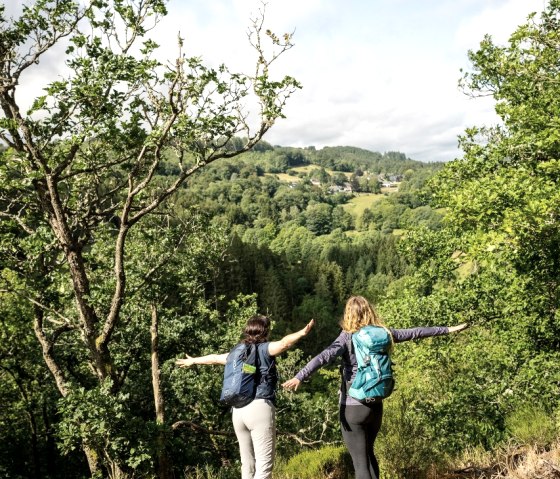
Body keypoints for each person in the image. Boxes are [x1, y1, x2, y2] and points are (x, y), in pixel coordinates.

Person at [282, 296, 468, 479]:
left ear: (348, 315)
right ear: (369, 312)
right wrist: (448, 329)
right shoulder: (383, 333)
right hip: (376, 405)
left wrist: (300, 376)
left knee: (360, 464)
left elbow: (324, 356)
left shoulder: (347, 336)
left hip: (354, 407)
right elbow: (415, 332)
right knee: (369, 456)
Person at [176, 315, 315, 479]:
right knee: (264, 467)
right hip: (259, 408)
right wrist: (302, 333)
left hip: (238, 411)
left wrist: (193, 361)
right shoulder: (264, 349)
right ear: (265, 331)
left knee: (247, 465)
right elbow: (285, 343)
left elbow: (214, 358)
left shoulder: (237, 352)